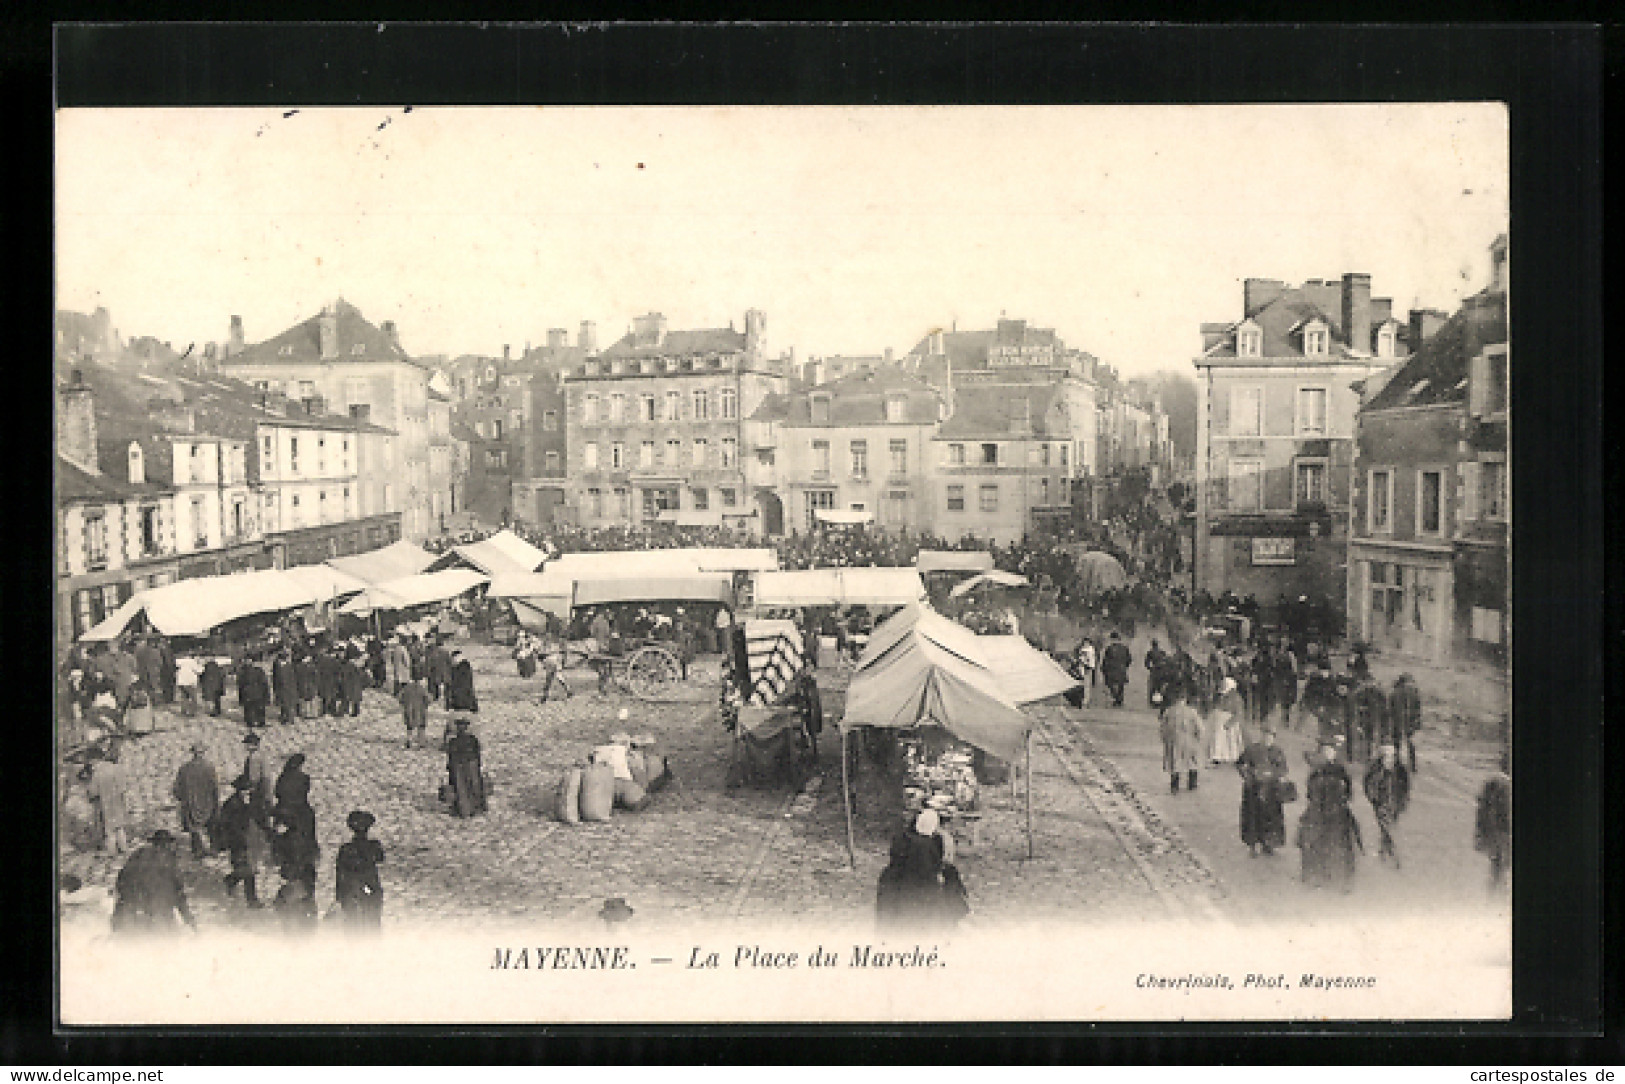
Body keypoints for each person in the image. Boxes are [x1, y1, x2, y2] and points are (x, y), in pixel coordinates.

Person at [1298, 743, 1361, 891]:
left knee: (1341, 845)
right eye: (1325, 751)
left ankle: (1343, 879)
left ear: (1335, 753)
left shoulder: (1340, 770)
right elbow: (1310, 792)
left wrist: (1343, 799)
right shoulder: (1316, 770)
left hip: (1338, 812)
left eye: (1331, 751)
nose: (1328, 754)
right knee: (1314, 842)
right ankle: (1316, 876)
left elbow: (1348, 789)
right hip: (1319, 812)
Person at [111, 830, 196, 934]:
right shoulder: (169, 862)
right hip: (154, 918)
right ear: (167, 845)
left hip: (130, 914)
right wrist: (191, 922)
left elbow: (121, 882)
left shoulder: (138, 855)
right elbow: (179, 896)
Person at [217, 775, 269, 908]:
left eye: (249, 790)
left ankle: (232, 880)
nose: (248, 792)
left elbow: (260, 818)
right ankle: (251, 900)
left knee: (247, 869)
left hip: (250, 840)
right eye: (245, 790)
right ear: (238, 790)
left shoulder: (252, 802)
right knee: (247, 870)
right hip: (237, 841)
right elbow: (225, 825)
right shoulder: (231, 805)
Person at [1238, 727, 1289, 857]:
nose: (1268, 739)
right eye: (1266, 736)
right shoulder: (1252, 750)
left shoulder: (1278, 752)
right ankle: (1252, 845)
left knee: (1271, 818)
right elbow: (1240, 764)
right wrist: (1248, 776)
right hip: (1253, 789)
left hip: (1271, 790)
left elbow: (1283, 769)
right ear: (1261, 736)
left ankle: (1269, 844)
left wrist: (1275, 775)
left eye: (1271, 736)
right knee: (1252, 817)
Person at [335, 810, 385, 931]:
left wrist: (339, 894)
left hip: (352, 888)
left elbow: (340, 872)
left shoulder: (346, 849)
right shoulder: (373, 846)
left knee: (354, 923)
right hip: (369, 887)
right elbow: (380, 858)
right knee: (371, 921)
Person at [1363, 744, 1411, 867]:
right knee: (1387, 827)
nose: (1390, 760)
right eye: (1387, 757)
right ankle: (1393, 855)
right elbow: (1368, 785)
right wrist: (1373, 798)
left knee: (1388, 827)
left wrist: (1404, 800)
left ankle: (1384, 850)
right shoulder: (1376, 771)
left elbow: (1405, 787)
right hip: (1381, 804)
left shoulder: (1400, 771)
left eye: (1392, 756)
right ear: (1382, 758)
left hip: (1395, 804)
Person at [171, 742, 220, 859]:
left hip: (191, 803)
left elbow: (177, 790)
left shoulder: (184, 769)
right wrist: (216, 802)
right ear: (203, 753)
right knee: (210, 826)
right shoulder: (210, 768)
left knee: (194, 829)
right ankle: (214, 849)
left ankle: (198, 850)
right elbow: (215, 788)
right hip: (207, 803)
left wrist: (183, 799)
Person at [1475, 750, 1511, 891]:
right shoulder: (1500, 783)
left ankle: (1495, 894)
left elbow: (1482, 808)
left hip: (1496, 830)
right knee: (1501, 867)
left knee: (1497, 866)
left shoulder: (1492, 782)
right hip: (1503, 831)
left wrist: (1480, 832)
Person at [86, 744, 133, 854]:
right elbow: (123, 786)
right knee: (120, 827)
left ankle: (112, 853)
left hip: (106, 804)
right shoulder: (115, 768)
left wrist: (89, 793)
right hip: (118, 802)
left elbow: (93, 792)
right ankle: (124, 849)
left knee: (110, 831)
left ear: (94, 760)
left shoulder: (97, 773)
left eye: (90, 761)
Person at [1159, 683, 1206, 793]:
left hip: (1174, 740)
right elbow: (1200, 728)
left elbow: (1163, 728)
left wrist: (1165, 739)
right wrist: (1198, 738)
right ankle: (1192, 784)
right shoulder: (1191, 711)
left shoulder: (1169, 711)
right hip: (1189, 740)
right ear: (1184, 699)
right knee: (1192, 762)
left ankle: (1175, 785)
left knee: (1175, 762)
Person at [445, 718, 487, 817]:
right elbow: (477, 753)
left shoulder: (453, 741)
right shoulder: (472, 739)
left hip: (458, 765)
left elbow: (451, 756)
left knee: (461, 787)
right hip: (471, 763)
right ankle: (476, 807)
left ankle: (464, 809)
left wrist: (450, 768)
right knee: (474, 785)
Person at [1389, 673, 1423, 774]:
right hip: (1410, 719)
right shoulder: (1414, 691)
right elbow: (1418, 706)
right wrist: (1417, 720)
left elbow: (1390, 707)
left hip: (1397, 719)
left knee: (1396, 742)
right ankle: (1413, 765)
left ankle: (1396, 763)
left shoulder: (1395, 692)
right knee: (1410, 742)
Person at [1208, 676, 1245, 764]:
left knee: (1231, 741)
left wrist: (1230, 723)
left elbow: (1239, 713)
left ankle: (1233, 758)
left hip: (1230, 723)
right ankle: (1217, 757)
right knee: (1218, 739)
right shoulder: (1223, 697)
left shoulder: (1236, 698)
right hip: (1220, 724)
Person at [241, 731, 273, 816]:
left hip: (259, 790)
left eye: (247, 744)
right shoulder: (262, 755)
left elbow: (254, 778)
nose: (246, 746)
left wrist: (249, 789)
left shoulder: (254, 757)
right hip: (265, 788)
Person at [399, 673, 431, 749]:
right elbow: (428, 699)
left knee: (409, 726)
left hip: (409, 709)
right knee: (421, 726)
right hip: (420, 710)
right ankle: (421, 742)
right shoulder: (422, 688)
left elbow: (400, 698)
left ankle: (409, 740)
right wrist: (425, 705)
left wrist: (405, 705)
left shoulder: (406, 688)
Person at [1101, 631, 1133, 707]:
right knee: (1120, 685)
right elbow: (1129, 659)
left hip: (1111, 669)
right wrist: (1125, 666)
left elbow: (1105, 660)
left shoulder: (1109, 649)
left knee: (1110, 684)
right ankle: (1119, 700)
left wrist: (1103, 669)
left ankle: (1116, 698)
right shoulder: (1125, 648)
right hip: (1121, 669)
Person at [237, 655, 270, 729]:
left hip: (257, 693)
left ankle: (259, 722)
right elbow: (240, 685)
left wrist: (265, 694)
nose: (247, 662)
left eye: (249, 660)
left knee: (259, 709)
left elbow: (264, 683)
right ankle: (252, 722)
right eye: (246, 660)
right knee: (250, 710)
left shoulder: (258, 671)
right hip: (249, 694)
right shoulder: (242, 672)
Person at [1272, 642, 1299, 730]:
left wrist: (1289, 680)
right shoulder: (1276, 655)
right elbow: (1274, 668)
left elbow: (1294, 670)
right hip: (1279, 680)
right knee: (1279, 700)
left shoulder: (1290, 655)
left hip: (1287, 680)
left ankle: (1285, 720)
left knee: (1286, 702)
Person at [272, 648, 298, 725]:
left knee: (288, 703)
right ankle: (285, 716)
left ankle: (289, 717)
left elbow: (292, 678)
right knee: (283, 703)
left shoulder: (288, 666)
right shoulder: (277, 666)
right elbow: (275, 678)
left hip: (288, 687)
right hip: (282, 688)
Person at [340, 650, 367, 717]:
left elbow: (345, 675)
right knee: (355, 698)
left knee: (349, 697)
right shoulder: (355, 666)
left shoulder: (348, 665)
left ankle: (347, 711)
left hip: (351, 683)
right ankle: (355, 711)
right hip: (355, 683)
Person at [426, 638, 454, 704]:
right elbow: (449, 662)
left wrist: (429, 671)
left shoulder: (433, 652)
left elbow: (431, 663)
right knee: (446, 687)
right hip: (445, 672)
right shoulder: (446, 652)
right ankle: (447, 700)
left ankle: (436, 699)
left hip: (436, 672)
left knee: (436, 686)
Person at [1073, 637, 1098, 708]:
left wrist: (1086, 663)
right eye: (1084, 642)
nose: (1085, 644)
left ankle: (1086, 700)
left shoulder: (1090, 650)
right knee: (1083, 684)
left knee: (1086, 684)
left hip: (1087, 668)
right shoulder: (1083, 649)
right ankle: (1083, 699)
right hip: (1082, 667)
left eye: (1087, 642)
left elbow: (1090, 660)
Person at [1143, 638, 1169, 707]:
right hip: (1162, 671)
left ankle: (1153, 702)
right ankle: (1160, 701)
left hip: (1155, 671)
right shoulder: (1162, 652)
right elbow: (1166, 661)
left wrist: (1150, 668)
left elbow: (1146, 663)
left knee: (1153, 687)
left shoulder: (1150, 653)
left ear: (1152, 645)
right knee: (1160, 687)